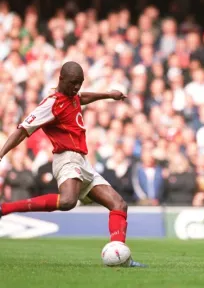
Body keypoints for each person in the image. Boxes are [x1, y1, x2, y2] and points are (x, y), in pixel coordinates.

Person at [0, 61, 146, 268]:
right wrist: (1, 153)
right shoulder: (51, 104)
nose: (76, 87)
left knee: (119, 205)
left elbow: (82, 98)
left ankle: (119, 255)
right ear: (61, 79)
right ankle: (5, 208)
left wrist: (108, 95)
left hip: (83, 162)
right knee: (68, 201)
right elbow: (22, 129)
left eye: (80, 83)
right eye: (73, 83)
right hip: (66, 158)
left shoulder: (72, 96)